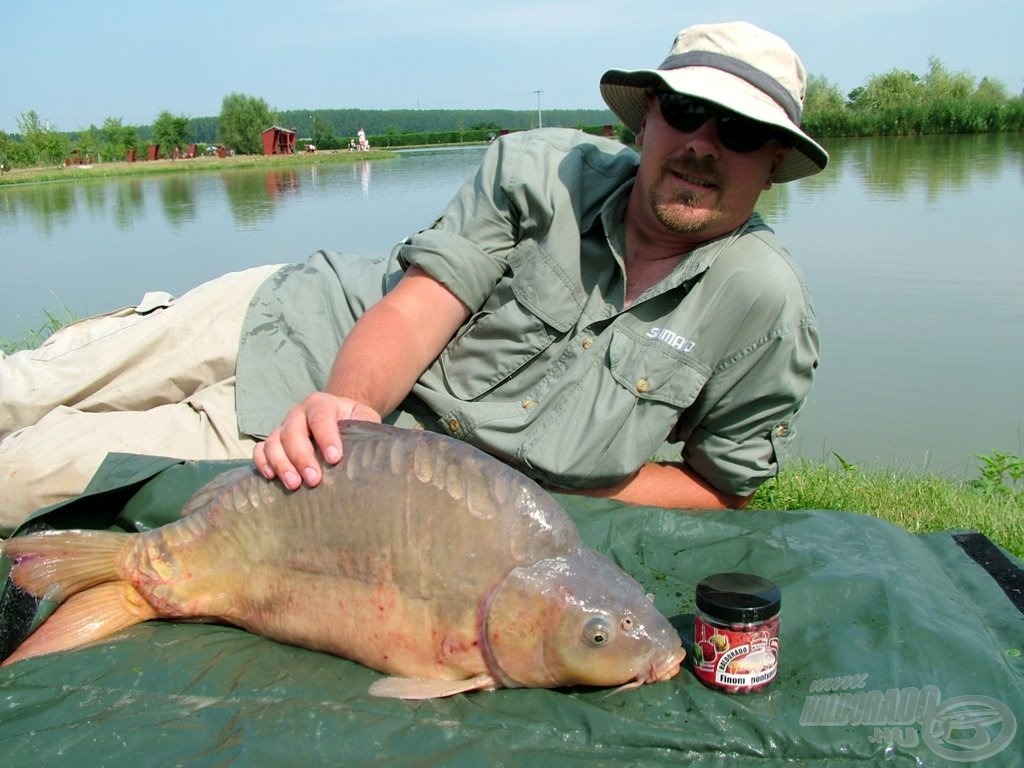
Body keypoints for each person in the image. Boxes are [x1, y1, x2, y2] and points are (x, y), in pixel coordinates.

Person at [0, 21, 827, 529]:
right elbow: (417, 307)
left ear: (775, 161)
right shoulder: (539, 171)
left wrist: (531, 492)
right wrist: (351, 416)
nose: (702, 145)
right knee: (28, 384)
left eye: (741, 133)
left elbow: (721, 491)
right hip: (299, 316)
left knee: (26, 474)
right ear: (647, 117)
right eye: (685, 113)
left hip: (319, 443)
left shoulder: (764, 305)